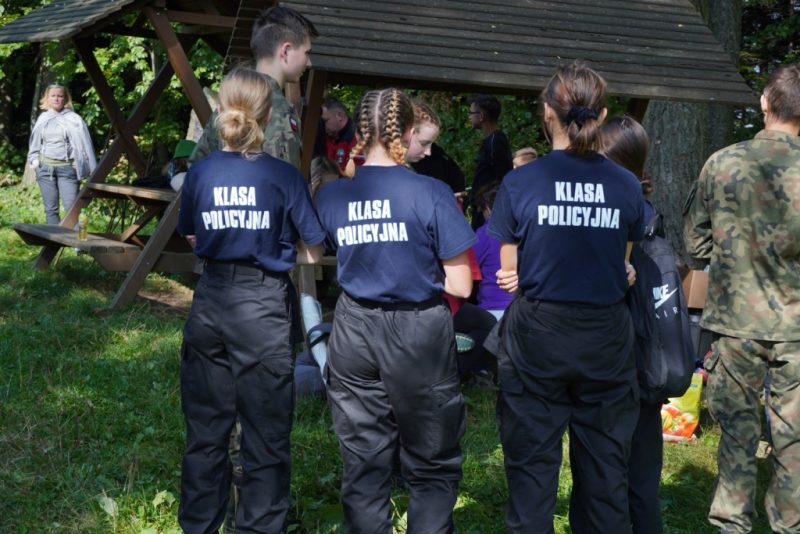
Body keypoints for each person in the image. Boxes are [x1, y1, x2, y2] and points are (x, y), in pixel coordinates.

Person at [488, 62, 646, 533]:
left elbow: (509, 272)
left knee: (531, 472)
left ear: (547, 112)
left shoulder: (520, 181)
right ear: (602, 114)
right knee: (605, 474)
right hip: (605, 339)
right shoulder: (626, 184)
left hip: (538, 336)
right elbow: (622, 263)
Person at [315, 88, 476, 533]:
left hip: (353, 329)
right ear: (406, 132)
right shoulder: (432, 192)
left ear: (359, 131)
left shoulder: (332, 197)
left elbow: (311, 252)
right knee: (432, 460)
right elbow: (461, 284)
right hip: (417, 330)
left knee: (363, 460)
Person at [176, 68, 326, 534]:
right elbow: (313, 249)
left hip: (211, 299)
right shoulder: (283, 175)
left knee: (206, 431)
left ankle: (199, 526)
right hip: (262, 305)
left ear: (222, 109)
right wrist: (275, 247)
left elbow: (190, 234)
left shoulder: (200, 173)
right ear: (266, 114)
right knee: (266, 433)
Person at [684, 63, 800, 534]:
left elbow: (695, 245)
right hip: (797, 327)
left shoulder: (722, 162)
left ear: (765, 103)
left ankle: (731, 525)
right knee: (795, 441)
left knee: (736, 434)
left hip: (735, 322)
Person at [568, 116, 662, 534]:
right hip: (646, 350)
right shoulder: (647, 210)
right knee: (641, 465)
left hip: (615, 351)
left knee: (602, 465)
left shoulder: (621, 212)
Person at [189, 5, 318, 168]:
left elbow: (195, 167)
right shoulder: (278, 108)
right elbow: (282, 178)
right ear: (286, 51)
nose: (309, 63)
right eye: (306, 53)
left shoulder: (231, 103)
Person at [27, 82, 97, 225]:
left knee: (72, 209)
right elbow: (35, 143)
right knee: (51, 210)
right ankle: (53, 238)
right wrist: (34, 160)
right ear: (47, 98)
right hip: (45, 169)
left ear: (65, 98)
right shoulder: (43, 118)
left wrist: (80, 162)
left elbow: (84, 145)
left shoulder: (74, 119)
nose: (56, 99)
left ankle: (76, 238)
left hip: (68, 169)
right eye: (53, 96)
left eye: (60, 96)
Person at [468, 94, 513, 229]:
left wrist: (489, 204)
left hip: (488, 212)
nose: (469, 116)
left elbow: (501, 176)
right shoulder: (491, 140)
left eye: (471, 113)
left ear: (481, 116)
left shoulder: (496, 141)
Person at [471, 183, 513, 321]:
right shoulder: (523, 228)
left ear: (488, 208)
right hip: (521, 307)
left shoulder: (484, 233)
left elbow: (469, 268)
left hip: (492, 309)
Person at [319, 97, 357, 172]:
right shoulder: (329, 136)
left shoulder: (357, 139)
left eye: (325, 121)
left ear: (339, 116)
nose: (323, 125)